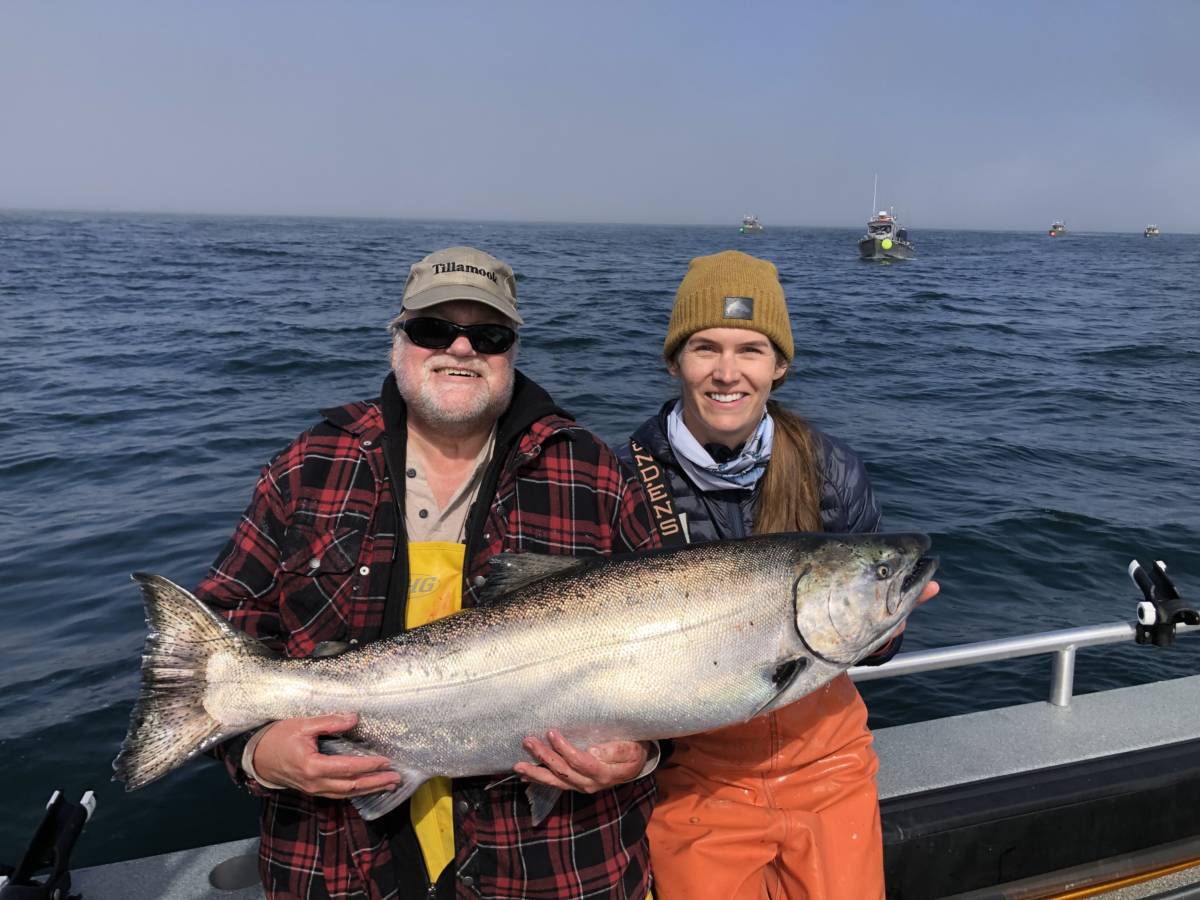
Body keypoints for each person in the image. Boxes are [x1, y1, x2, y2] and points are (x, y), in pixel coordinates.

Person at [196, 246, 662, 899]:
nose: (462, 348)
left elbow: (677, 646)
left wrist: (641, 753)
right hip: (337, 866)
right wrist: (258, 754)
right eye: (435, 329)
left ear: (513, 351)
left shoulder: (592, 473)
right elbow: (218, 633)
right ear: (399, 338)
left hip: (552, 868)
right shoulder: (312, 465)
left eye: (490, 335)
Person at [620, 250, 939, 900]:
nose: (727, 372)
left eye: (752, 350)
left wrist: (882, 632)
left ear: (780, 366)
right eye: (705, 347)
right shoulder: (626, 479)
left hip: (830, 766)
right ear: (675, 360)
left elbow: (877, 641)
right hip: (696, 778)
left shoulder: (833, 470)